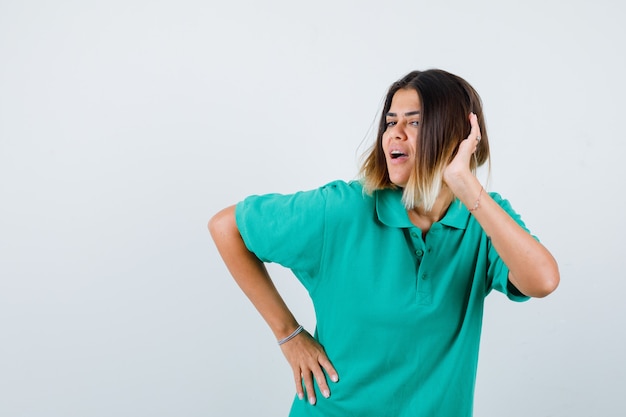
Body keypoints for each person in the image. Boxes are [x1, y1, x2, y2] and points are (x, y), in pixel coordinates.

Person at [208, 69, 559, 416]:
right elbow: (227, 227)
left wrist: (465, 184)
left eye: (414, 123)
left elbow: (542, 280)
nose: (395, 135)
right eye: (391, 123)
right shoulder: (343, 209)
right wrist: (289, 334)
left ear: (458, 135)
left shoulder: (484, 220)